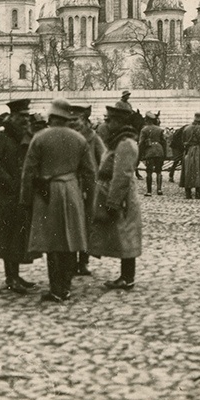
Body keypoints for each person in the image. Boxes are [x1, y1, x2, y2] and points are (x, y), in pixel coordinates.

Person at [20, 98, 96, 303]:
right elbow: (89, 173)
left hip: (47, 192)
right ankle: (66, 286)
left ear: (51, 117)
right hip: (72, 190)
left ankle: (56, 288)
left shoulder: (39, 138)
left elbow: (28, 171)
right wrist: (89, 201)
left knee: (52, 241)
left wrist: (25, 199)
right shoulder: (79, 139)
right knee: (70, 239)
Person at [0, 98, 38, 294]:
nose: (25, 120)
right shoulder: (1, 136)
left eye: (26, 116)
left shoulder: (23, 135)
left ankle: (15, 275)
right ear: (12, 116)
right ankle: (10, 277)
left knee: (18, 234)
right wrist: (9, 182)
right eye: (21, 116)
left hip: (19, 194)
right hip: (5, 194)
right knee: (7, 235)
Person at [90, 104, 142, 290]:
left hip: (123, 196)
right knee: (123, 234)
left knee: (126, 234)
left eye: (109, 120)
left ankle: (127, 278)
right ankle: (126, 276)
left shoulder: (125, 144)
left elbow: (123, 175)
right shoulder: (118, 141)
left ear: (119, 121)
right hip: (117, 193)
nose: (107, 123)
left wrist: (113, 201)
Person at [69, 104, 105, 276]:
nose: (74, 123)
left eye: (77, 119)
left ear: (84, 120)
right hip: (69, 185)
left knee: (86, 223)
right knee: (69, 223)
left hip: (89, 186)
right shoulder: (65, 136)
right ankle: (69, 261)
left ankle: (83, 261)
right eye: (71, 120)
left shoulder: (93, 137)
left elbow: (103, 158)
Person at [180, 111, 200, 199]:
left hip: (188, 151)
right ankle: (198, 192)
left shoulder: (187, 128)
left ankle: (188, 193)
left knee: (188, 170)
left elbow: (183, 140)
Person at [138, 111, 166, 196]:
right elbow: (164, 142)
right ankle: (159, 190)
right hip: (159, 150)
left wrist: (140, 153)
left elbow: (141, 142)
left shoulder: (144, 129)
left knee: (149, 171)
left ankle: (149, 191)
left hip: (150, 152)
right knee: (159, 171)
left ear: (146, 120)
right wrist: (164, 153)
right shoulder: (160, 129)